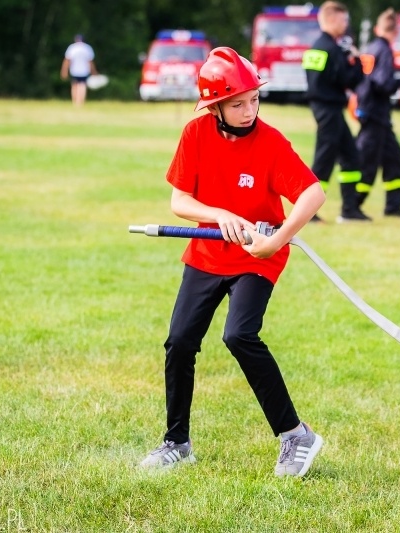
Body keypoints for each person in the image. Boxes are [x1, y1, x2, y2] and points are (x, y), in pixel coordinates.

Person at [139, 47, 326, 477]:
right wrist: (218, 214)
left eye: (254, 99)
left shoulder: (271, 142)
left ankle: (296, 435)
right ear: (215, 107)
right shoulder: (195, 134)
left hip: (258, 254)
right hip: (207, 252)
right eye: (238, 104)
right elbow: (180, 201)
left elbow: (313, 194)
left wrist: (276, 240)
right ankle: (176, 442)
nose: (249, 111)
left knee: (239, 334)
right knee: (179, 341)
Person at [303, 1, 368, 223]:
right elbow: (349, 79)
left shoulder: (316, 47)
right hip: (329, 109)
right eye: (343, 19)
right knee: (324, 159)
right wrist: (356, 61)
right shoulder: (332, 49)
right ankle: (308, 212)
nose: (346, 24)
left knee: (350, 156)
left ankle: (350, 210)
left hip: (324, 108)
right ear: (331, 20)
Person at [353, 8, 400, 218]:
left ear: (376, 29)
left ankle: (393, 207)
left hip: (371, 112)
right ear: (396, 32)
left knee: (394, 159)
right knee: (367, 163)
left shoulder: (371, 48)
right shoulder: (385, 50)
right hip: (375, 115)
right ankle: (352, 206)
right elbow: (383, 84)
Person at [60, 34, 97, 107]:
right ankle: (81, 102)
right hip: (84, 71)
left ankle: (75, 102)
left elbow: (67, 61)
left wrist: (64, 71)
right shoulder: (87, 48)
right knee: (82, 86)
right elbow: (90, 62)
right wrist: (93, 71)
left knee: (74, 86)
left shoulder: (72, 48)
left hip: (74, 70)